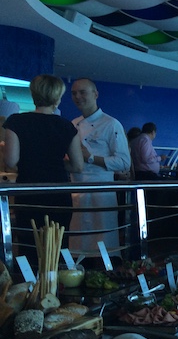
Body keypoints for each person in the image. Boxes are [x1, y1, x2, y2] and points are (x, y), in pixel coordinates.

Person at [3, 75, 84, 257]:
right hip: (58, 192)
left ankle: (30, 276)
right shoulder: (66, 125)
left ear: (34, 94)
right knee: (57, 246)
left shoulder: (16, 122)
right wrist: (53, 163)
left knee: (29, 244)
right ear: (57, 98)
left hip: (29, 190)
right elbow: (78, 166)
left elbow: (11, 161)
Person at [69, 78, 131, 256]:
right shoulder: (73, 124)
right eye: (74, 93)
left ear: (95, 94)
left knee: (104, 246)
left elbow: (124, 162)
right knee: (78, 246)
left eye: (82, 92)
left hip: (102, 194)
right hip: (77, 192)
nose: (77, 97)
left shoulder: (111, 124)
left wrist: (90, 158)